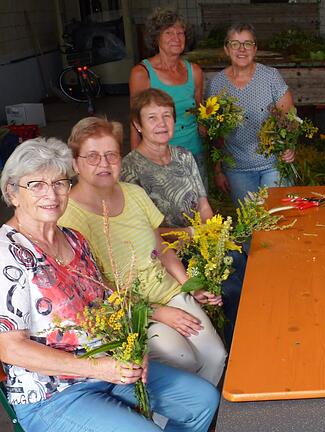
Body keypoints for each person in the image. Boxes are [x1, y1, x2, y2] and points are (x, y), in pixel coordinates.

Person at [0, 137, 218, 432]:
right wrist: (98, 367)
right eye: (36, 185)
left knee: (202, 400)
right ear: (12, 194)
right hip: (53, 394)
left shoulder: (74, 239)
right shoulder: (7, 254)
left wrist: (135, 344)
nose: (50, 194)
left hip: (110, 369)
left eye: (59, 183)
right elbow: (10, 349)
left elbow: (106, 301)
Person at [58, 117, 227, 386]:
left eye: (111, 155)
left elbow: (162, 247)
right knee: (185, 359)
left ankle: (194, 418)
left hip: (168, 292)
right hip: (127, 310)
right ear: (75, 163)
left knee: (216, 355)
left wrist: (190, 286)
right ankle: (173, 418)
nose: (104, 163)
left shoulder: (134, 193)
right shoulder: (67, 216)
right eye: (92, 156)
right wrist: (156, 312)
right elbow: (92, 288)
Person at [122, 88, 245, 350]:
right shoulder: (129, 168)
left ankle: (240, 334)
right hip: (166, 252)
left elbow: (203, 205)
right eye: (152, 117)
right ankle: (235, 344)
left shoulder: (184, 157)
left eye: (167, 116)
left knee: (237, 257)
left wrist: (214, 239)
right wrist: (191, 235)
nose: (162, 123)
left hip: (198, 240)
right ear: (137, 124)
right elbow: (143, 231)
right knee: (228, 278)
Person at [206, 22, 296, 203]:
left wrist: (290, 147)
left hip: (273, 164)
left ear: (255, 49)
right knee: (249, 224)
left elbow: (290, 119)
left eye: (247, 43)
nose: (241, 49)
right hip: (237, 168)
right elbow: (213, 134)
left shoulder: (271, 76)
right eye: (235, 44)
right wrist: (218, 171)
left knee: (276, 216)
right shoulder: (217, 84)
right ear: (226, 49)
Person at [129, 7, 206, 182]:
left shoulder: (194, 71)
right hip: (158, 156)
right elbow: (135, 121)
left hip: (194, 153)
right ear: (156, 38)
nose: (176, 38)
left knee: (199, 207)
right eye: (169, 33)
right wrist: (135, 162)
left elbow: (200, 112)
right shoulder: (142, 73)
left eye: (180, 33)